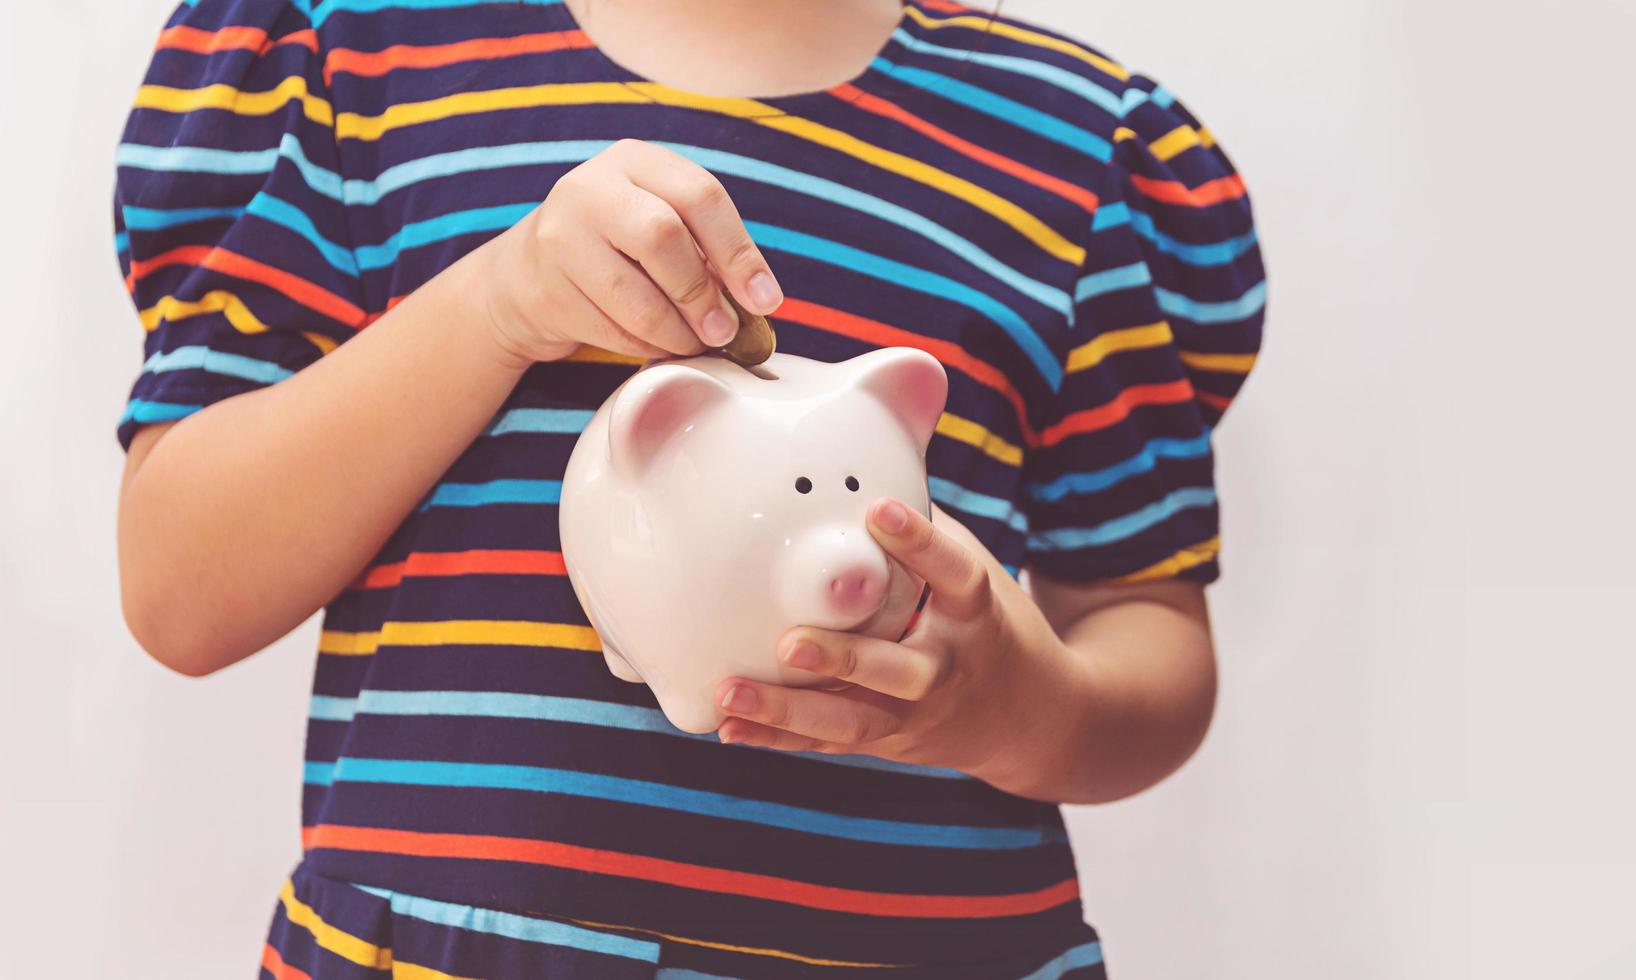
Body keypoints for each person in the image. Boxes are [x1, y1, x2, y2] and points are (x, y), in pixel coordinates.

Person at [111, 0, 1265, 975]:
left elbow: (1146, 629)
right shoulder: (361, 57)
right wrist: (497, 303)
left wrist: (1017, 703)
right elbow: (181, 586)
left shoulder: (1067, 142)